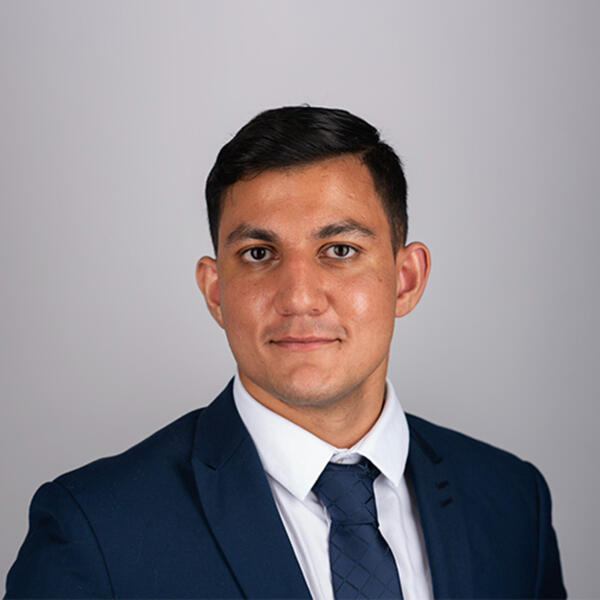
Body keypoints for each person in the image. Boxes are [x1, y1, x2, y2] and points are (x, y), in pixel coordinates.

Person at [4, 106, 566, 599]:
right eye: (258, 254)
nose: (298, 297)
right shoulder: (93, 528)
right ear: (216, 291)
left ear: (406, 279)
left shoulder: (513, 503)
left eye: (339, 250)